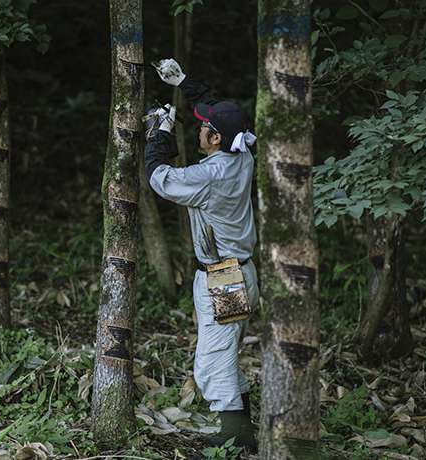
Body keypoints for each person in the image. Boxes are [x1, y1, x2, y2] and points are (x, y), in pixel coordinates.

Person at [144, 58, 259, 451]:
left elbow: (161, 178)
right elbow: (219, 111)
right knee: (225, 356)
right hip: (241, 273)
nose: (199, 127)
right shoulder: (243, 153)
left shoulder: (210, 177)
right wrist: (186, 83)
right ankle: (243, 435)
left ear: (213, 140)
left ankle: (232, 445)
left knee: (211, 366)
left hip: (224, 278)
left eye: (203, 127)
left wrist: (159, 135)